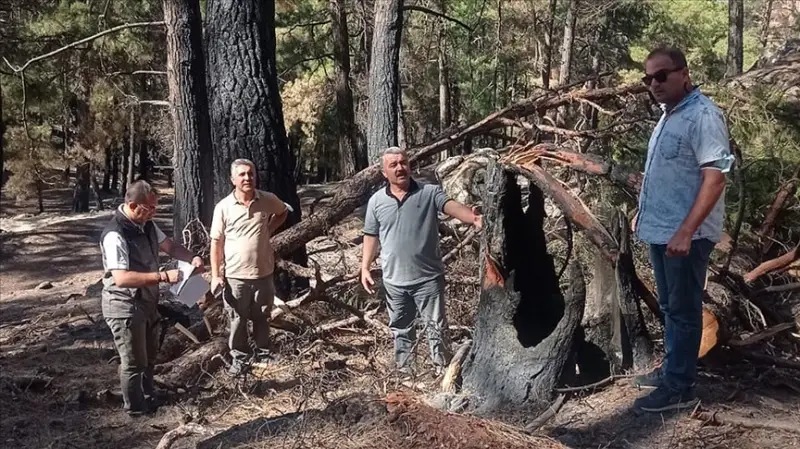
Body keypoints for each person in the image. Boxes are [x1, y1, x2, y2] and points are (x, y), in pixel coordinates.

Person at [632, 47, 734, 413]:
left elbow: (716, 177)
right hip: (661, 230)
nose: (654, 84)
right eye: (648, 78)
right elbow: (670, 175)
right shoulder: (668, 116)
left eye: (662, 75)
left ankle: (679, 387)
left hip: (684, 236)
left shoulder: (704, 116)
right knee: (670, 307)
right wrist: (644, 212)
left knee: (684, 309)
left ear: (684, 73)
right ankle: (672, 372)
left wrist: (686, 231)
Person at [360, 146, 482, 377]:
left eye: (403, 162)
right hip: (394, 281)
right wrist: (365, 267)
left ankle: (444, 372)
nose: (400, 168)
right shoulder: (376, 202)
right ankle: (407, 375)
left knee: (436, 327)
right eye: (393, 165)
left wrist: (473, 218)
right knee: (401, 329)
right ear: (384, 172)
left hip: (428, 279)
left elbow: (451, 206)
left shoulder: (429, 193)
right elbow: (371, 236)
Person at [100, 180, 204, 417]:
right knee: (133, 362)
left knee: (148, 358)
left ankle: (149, 397)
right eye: (150, 208)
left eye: (155, 208)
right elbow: (122, 278)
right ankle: (136, 410)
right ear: (132, 204)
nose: (154, 213)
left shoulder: (146, 225)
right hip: (124, 305)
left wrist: (192, 258)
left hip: (147, 301)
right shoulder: (115, 234)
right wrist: (163, 276)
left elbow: (169, 246)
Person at [210, 158, 289, 376]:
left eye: (251, 174)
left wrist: (269, 229)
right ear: (233, 179)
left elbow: (282, 212)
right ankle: (240, 359)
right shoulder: (224, 207)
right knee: (237, 319)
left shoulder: (267, 200)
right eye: (242, 174)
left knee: (263, 315)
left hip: (263, 273)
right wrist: (216, 275)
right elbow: (216, 243)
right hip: (236, 276)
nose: (247, 178)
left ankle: (263, 354)